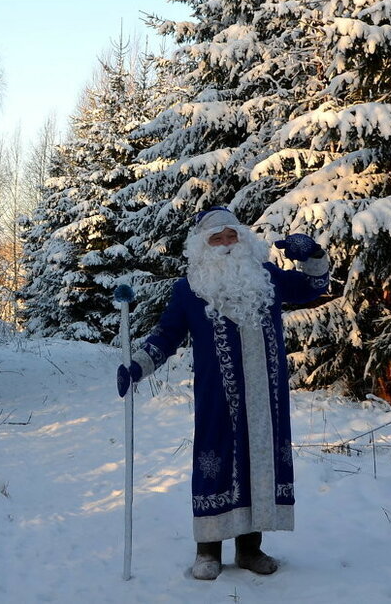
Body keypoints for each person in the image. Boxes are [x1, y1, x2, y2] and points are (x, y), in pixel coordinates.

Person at [116, 206, 329, 580]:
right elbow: (167, 336)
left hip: (268, 397)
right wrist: (138, 365)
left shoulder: (267, 278)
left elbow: (314, 288)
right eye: (217, 239)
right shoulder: (189, 290)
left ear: (244, 240)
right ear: (202, 247)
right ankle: (208, 551)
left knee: (260, 461)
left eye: (232, 236)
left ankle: (250, 550)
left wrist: (313, 255)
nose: (227, 244)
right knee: (215, 461)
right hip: (218, 399)